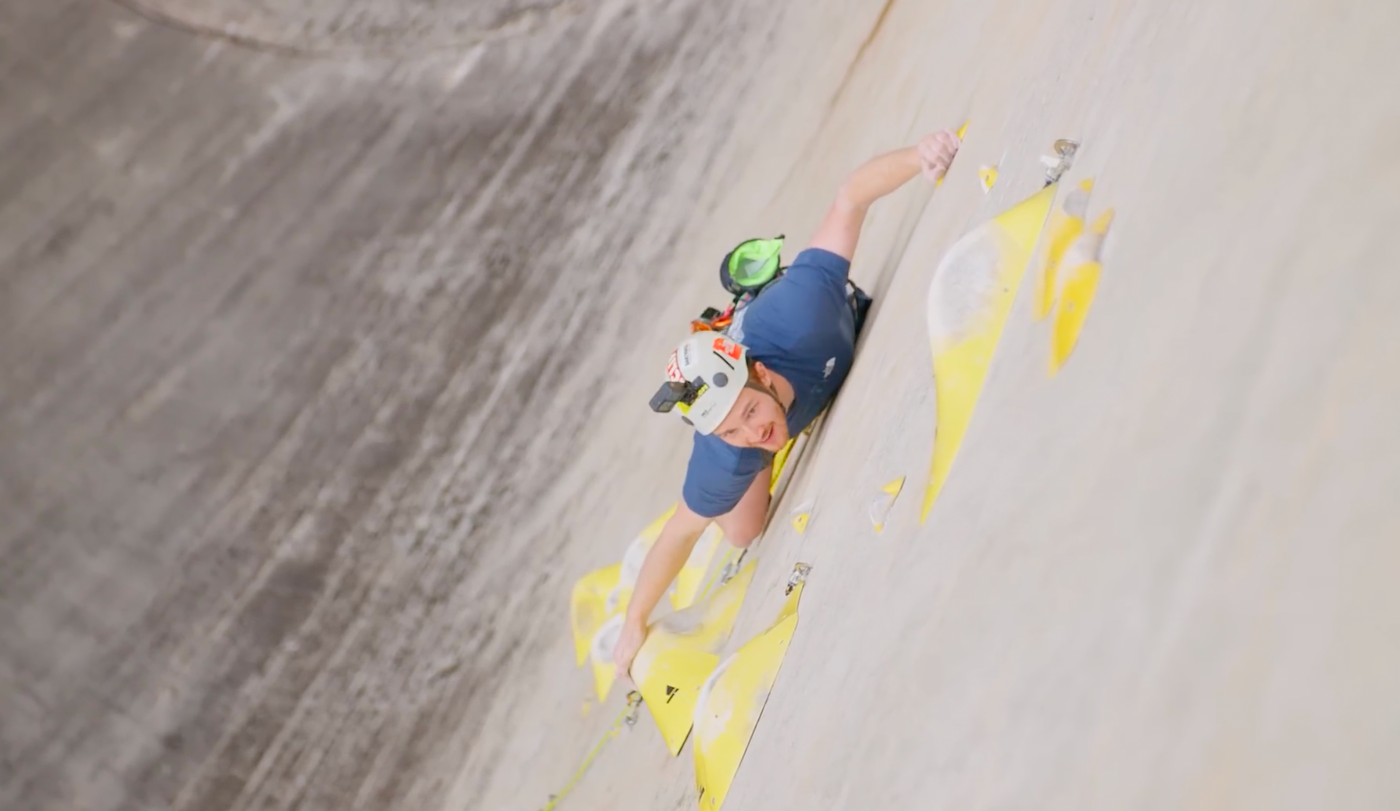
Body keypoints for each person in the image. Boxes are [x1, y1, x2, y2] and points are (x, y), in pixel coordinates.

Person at [612, 127, 963, 680]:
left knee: (741, 496)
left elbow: (851, 196)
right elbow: (680, 533)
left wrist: (921, 155)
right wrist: (635, 620)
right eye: (733, 431)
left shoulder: (800, 312)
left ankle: (740, 309)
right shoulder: (725, 450)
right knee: (743, 533)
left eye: (750, 414)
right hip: (742, 436)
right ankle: (736, 418)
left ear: (762, 373)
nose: (752, 433)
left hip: (793, 330)